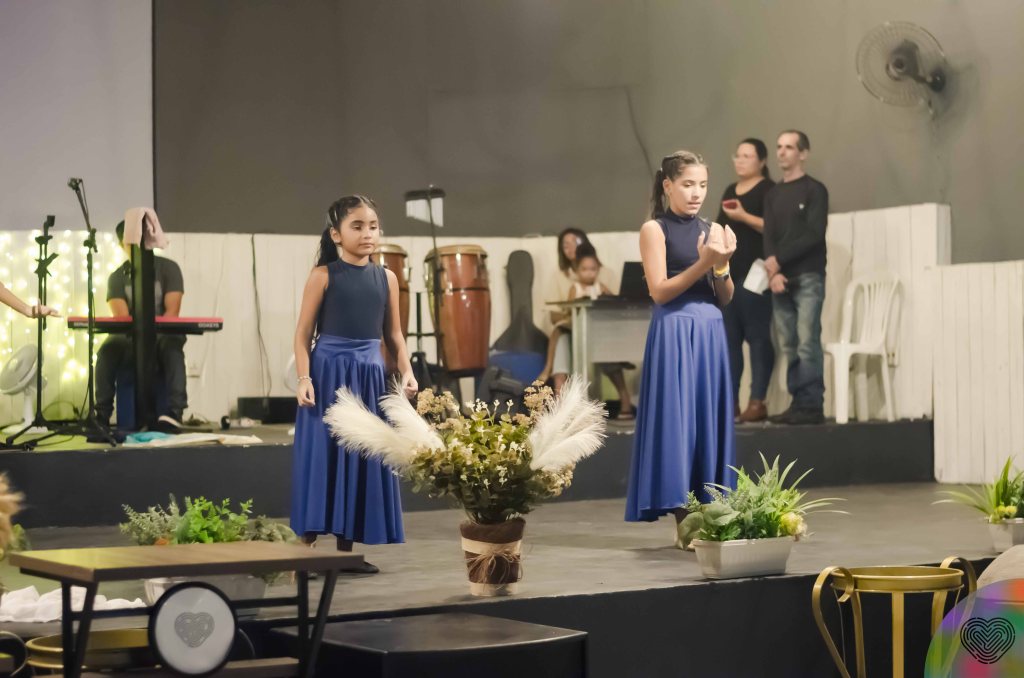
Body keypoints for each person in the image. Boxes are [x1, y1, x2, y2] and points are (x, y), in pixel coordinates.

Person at [291, 195, 416, 573]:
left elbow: (394, 335)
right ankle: (304, 553)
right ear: (336, 234)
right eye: (357, 226)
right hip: (328, 374)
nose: (367, 234)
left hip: (368, 375)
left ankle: (345, 555)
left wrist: (407, 370)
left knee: (360, 455)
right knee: (322, 456)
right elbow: (302, 335)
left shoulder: (387, 278)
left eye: (373, 226)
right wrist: (304, 378)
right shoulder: (323, 275)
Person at [625, 150, 737, 545]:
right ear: (668, 185)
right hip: (675, 332)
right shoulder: (654, 230)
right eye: (688, 184)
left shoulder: (713, 228)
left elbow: (725, 296)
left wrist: (721, 266)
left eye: (702, 185)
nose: (696, 193)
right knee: (679, 425)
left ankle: (712, 518)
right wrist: (704, 262)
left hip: (709, 333)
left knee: (707, 424)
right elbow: (659, 291)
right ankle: (685, 524)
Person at [763, 130, 829, 426]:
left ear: (803, 153)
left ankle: (811, 404)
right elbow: (768, 235)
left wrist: (778, 260)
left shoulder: (815, 190)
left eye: (789, 147)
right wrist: (773, 269)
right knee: (788, 343)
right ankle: (797, 403)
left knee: (806, 341)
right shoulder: (773, 194)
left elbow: (813, 234)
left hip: (807, 275)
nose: (781, 152)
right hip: (780, 278)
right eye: (779, 147)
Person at [95, 221, 186, 431]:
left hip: (164, 333)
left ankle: (175, 413)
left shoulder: (169, 268)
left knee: (173, 350)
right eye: (131, 243)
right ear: (122, 245)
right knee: (106, 352)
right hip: (128, 335)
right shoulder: (117, 277)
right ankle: (102, 414)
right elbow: (122, 318)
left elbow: (172, 312)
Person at [716, 138, 776, 423]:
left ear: (762, 161)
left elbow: (775, 228)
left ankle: (757, 400)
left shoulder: (769, 190)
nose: (740, 160)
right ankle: (731, 402)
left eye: (747, 156)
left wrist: (743, 216)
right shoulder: (730, 190)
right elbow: (721, 228)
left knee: (758, 337)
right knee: (730, 340)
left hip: (757, 274)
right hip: (729, 273)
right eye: (737, 155)